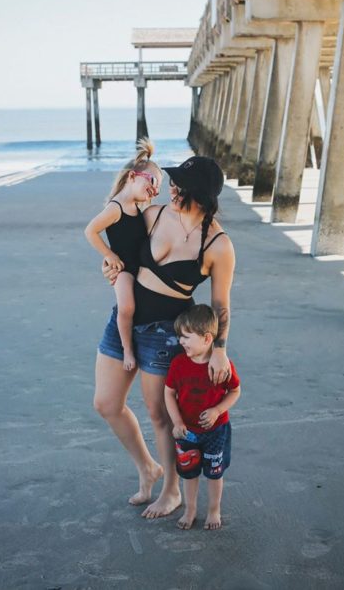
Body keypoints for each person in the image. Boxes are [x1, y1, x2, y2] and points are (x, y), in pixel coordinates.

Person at [94, 155, 235, 518]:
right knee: (106, 404)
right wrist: (109, 265)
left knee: (160, 415)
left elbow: (221, 305)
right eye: (171, 183)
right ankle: (148, 467)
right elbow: (121, 245)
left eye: (179, 186)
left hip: (166, 334)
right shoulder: (154, 214)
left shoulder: (218, 245)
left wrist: (219, 349)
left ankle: (171, 490)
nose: (170, 189)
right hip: (124, 321)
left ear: (200, 195)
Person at [85, 139, 162, 370]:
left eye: (157, 188)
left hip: (138, 267)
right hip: (124, 269)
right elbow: (90, 231)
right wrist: (109, 255)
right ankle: (128, 350)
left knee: (138, 306)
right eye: (152, 182)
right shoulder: (115, 208)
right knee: (127, 308)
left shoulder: (136, 208)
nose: (154, 190)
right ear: (131, 176)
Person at [164, 304, 240, 531]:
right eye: (179, 336)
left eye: (186, 337)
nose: (180, 341)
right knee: (189, 473)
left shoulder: (221, 366)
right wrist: (177, 422)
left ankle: (214, 510)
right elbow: (169, 392)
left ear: (207, 338)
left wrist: (217, 410)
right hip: (187, 431)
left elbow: (235, 391)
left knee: (214, 474)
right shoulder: (179, 364)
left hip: (216, 431)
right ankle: (190, 509)